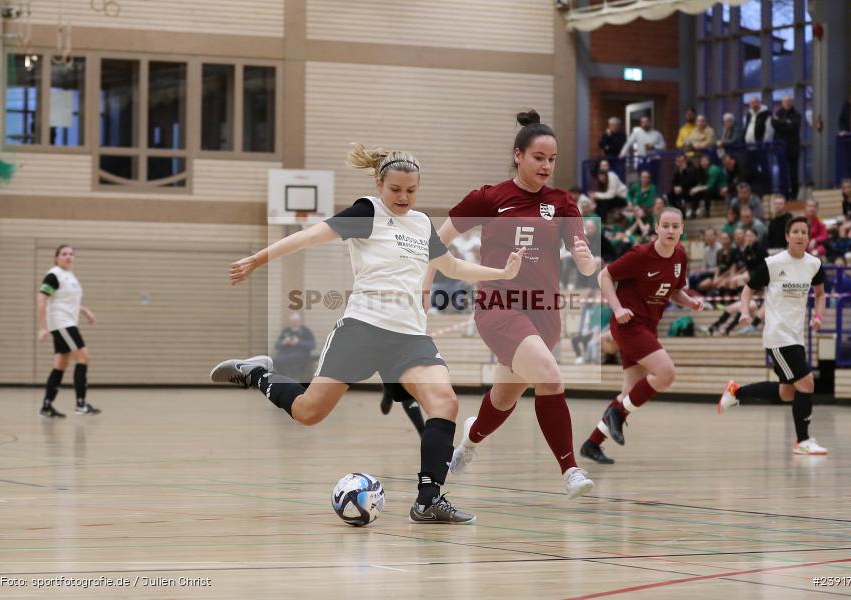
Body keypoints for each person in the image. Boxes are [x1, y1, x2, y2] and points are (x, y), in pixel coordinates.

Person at [210, 143, 525, 524]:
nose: (404, 197)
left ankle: (428, 500)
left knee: (445, 403)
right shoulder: (367, 212)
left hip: (410, 336)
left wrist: (501, 274)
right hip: (362, 329)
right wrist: (258, 258)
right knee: (309, 413)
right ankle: (256, 372)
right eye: (396, 190)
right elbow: (310, 236)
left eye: (411, 190)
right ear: (379, 184)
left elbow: (453, 266)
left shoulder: (422, 223)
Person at [432, 110, 599, 499]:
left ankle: (470, 441)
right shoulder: (490, 197)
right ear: (518, 155)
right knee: (549, 375)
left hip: (545, 311)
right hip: (499, 306)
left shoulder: (562, 202)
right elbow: (436, 243)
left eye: (552, 159)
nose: (546, 166)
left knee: (504, 396)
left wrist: (588, 261)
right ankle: (570, 469)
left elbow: (585, 259)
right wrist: (426, 283)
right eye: (539, 157)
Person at [579, 207, 704, 464]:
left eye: (675, 226)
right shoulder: (640, 255)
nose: (670, 230)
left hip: (649, 326)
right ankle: (619, 413)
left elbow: (674, 291)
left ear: (682, 229)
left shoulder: (680, 256)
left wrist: (690, 303)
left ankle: (592, 443)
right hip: (628, 325)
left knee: (630, 389)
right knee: (666, 373)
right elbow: (604, 276)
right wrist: (617, 307)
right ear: (656, 228)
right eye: (665, 225)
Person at [718, 216, 828, 456]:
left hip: (796, 336)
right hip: (778, 336)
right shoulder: (774, 263)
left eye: (804, 232)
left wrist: (818, 317)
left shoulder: (814, 264)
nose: (800, 235)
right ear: (787, 236)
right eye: (795, 232)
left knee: (787, 392)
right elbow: (748, 289)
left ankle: (736, 392)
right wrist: (745, 312)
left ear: (808, 237)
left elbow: (820, 294)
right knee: (807, 383)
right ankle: (803, 441)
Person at [37, 245, 101, 418]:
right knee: (84, 357)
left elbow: (66, 301)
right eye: (64, 254)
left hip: (66, 322)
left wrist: (85, 310)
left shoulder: (69, 276)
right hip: (62, 324)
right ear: (56, 257)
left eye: (71, 254)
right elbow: (42, 299)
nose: (68, 257)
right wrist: (43, 327)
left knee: (61, 363)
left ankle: (47, 406)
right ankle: (80, 404)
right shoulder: (54, 275)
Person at [771, 95, 802, 199]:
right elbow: (774, 123)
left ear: (792, 102)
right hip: (780, 148)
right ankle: (783, 194)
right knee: (782, 173)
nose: (787, 103)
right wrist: (786, 122)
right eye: (785, 101)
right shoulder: (777, 113)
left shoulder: (797, 114)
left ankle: (794, 194)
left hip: (793, 149)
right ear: (782, 103)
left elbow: (794, 127)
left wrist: (781, 123)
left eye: (789, 101)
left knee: (793, 174)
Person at [273, 313, 316, 379]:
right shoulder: (285, 331)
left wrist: (298, 342)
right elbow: (276, 345)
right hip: (285, 355)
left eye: (296, 321)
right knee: (275, 361)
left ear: (299, 321)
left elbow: (312, 345)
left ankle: (292, 381)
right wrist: (284, 342)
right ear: (290, 322)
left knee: (291, 362)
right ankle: (284, 380)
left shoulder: (306, 331)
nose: (295, 323)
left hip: (301, 356)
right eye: (293, 321)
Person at [688, 153, 726, 218]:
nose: (703, 163)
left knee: (707, 191)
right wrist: (694, 189)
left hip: (719, 190)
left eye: (705, 161)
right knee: (695, 193)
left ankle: (707, 211)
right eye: (702, 161)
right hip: (710, 190)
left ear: (709, 161)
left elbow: (710, 186)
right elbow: (700, 183)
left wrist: (697, 189)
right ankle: (693, 211)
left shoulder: (713, 169)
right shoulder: (701, 170)